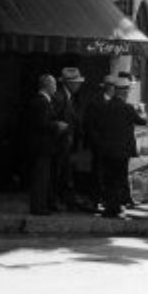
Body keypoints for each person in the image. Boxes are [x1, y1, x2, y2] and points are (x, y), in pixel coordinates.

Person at [97, 74, 147, 218]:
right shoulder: (127, 108)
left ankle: (109, 207)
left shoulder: (105, 107)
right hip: (122, 151)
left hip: (107, 150)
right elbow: (142, 121)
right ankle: (116, 207)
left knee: (109, 179)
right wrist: (141, 111)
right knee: (119, 178)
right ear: (124, 92)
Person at [24, 74, 65, 215]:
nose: (55, 88)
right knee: (40, 177)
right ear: (47, 85)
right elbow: (41, 123)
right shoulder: (41, 102)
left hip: (42, 147)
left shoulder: (44, 101)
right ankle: (38, 207)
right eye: (53, 85)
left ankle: (41, 205)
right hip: (41, 147)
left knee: (43, 177)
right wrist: (57, 125)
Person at [83, 75, 119, 214]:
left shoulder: (117, 103)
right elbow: (90, 124)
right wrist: (97, 142)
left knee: (110, 175)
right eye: (111, 86)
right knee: (97, 173)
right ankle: (95, 200)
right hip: (99, 146)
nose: (112, 89)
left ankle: (107, 201)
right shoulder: (95, 103)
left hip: (113, 147)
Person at [51, 67, 85, 211]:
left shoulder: (69, 98)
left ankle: (64, 200)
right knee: (58, 173)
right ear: (70, 83)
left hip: (67, 143)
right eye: (77, 82)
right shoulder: (59, 98)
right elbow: (54, 119)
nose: (79, 85)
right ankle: (55, 200)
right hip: (60, 144)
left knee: (65, 173)